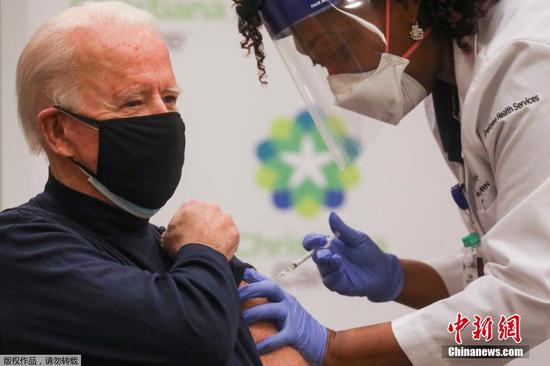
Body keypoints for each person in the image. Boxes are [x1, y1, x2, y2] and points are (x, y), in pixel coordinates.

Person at [234, 0, 550, 364]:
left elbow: (529, 304)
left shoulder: (523, 64)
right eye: (321, 65)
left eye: (335, 50)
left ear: (406, 7)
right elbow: (503, 280)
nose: (339, 85)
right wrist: (398, 278)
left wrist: (337, 350)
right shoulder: (451, 86)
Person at [0, 2, 309, 365]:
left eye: (169, 98)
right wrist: (207, 250)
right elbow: (195, 337)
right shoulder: (20, 249)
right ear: (58, 131)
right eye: (132, 102)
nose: (164, 120)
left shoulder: (175, 247)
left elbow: (282, 354)